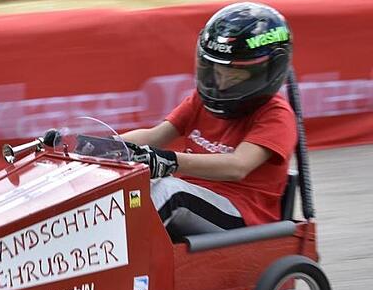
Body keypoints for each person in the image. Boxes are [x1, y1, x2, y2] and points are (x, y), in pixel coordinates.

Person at [121, 2, 297, 237]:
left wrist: (169, 161)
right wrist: (97, 148)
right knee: (126, 191)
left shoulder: (276, 115)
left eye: (234, 77)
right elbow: (154, 136)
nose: (222, 84)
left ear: (264, 73)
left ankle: (113, 267)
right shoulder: (200, 101)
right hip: (196, 199)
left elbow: (238, 166)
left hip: (243, 216)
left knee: (170, 191)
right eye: (217, 73)